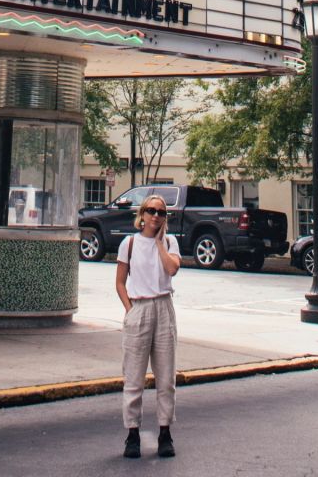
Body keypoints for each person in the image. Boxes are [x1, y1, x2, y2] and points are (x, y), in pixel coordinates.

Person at [115, 193, 181, 459]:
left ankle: (165, 433)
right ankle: (132, 434)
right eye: (152, 211)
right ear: (141, 214)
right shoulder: (128, 243)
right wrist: (130, 310)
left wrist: (159, 242)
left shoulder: (170, 241)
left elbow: (172, 269)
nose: (156, 216)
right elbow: (120, 282)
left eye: (162, 212)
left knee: (166, 379)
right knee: (133, 378)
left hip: (164, 307)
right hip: (139, 308)